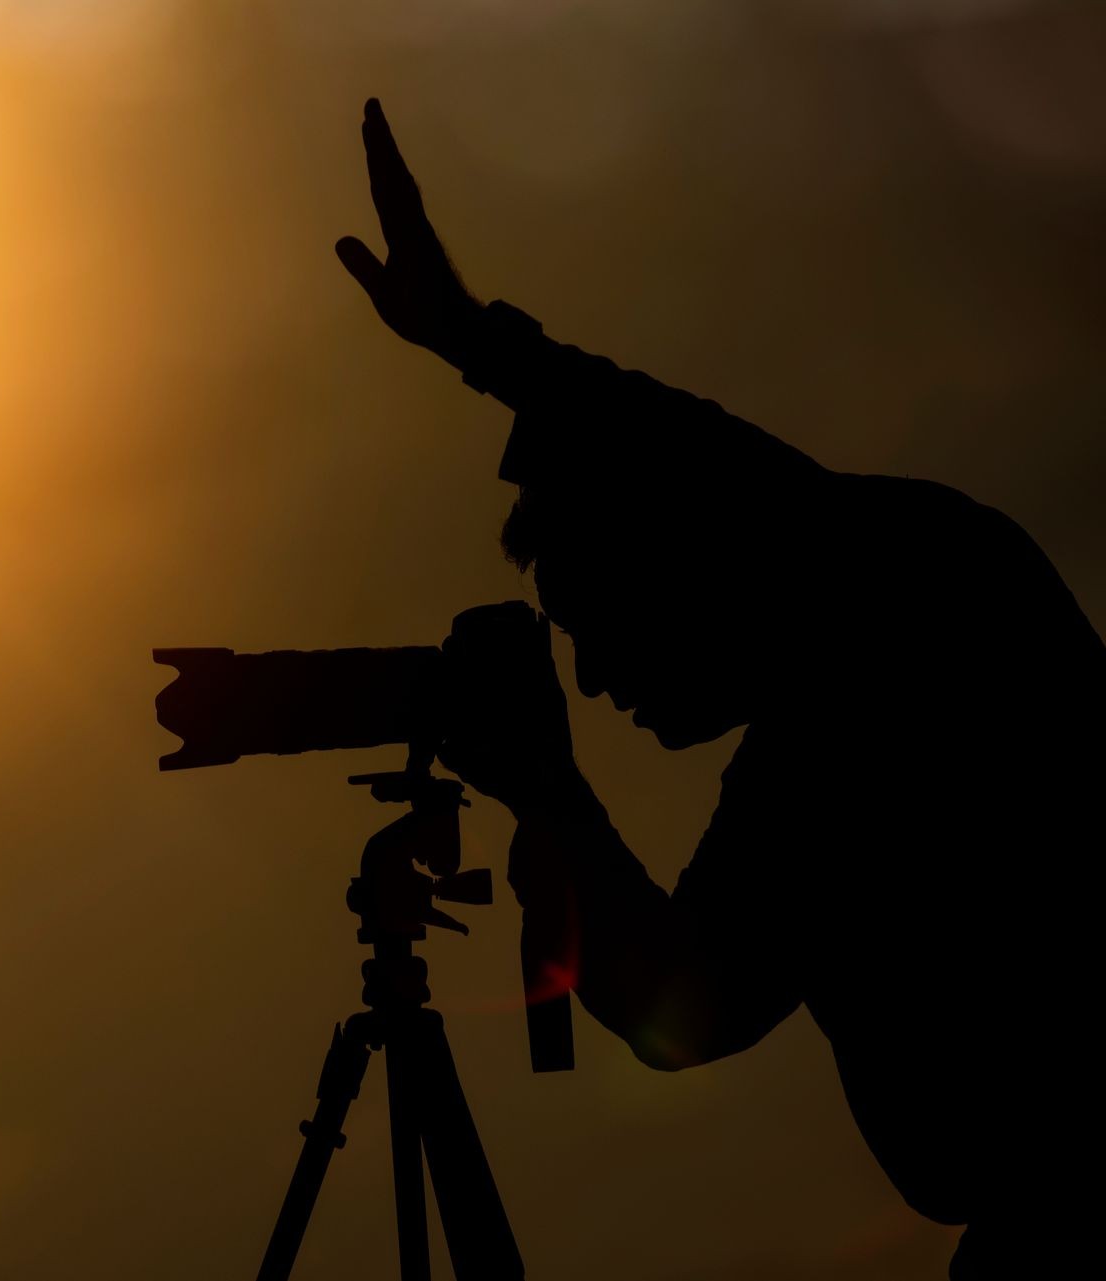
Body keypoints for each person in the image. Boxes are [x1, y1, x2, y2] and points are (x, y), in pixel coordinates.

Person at [334, 99, 1103, 1278]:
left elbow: (681, 1008)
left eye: (598, 626)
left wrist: (480, 343)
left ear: (673, 556)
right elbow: (684, 1004)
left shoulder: (891, 623)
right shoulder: (847, 676)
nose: (594, 681)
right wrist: (556, 798)